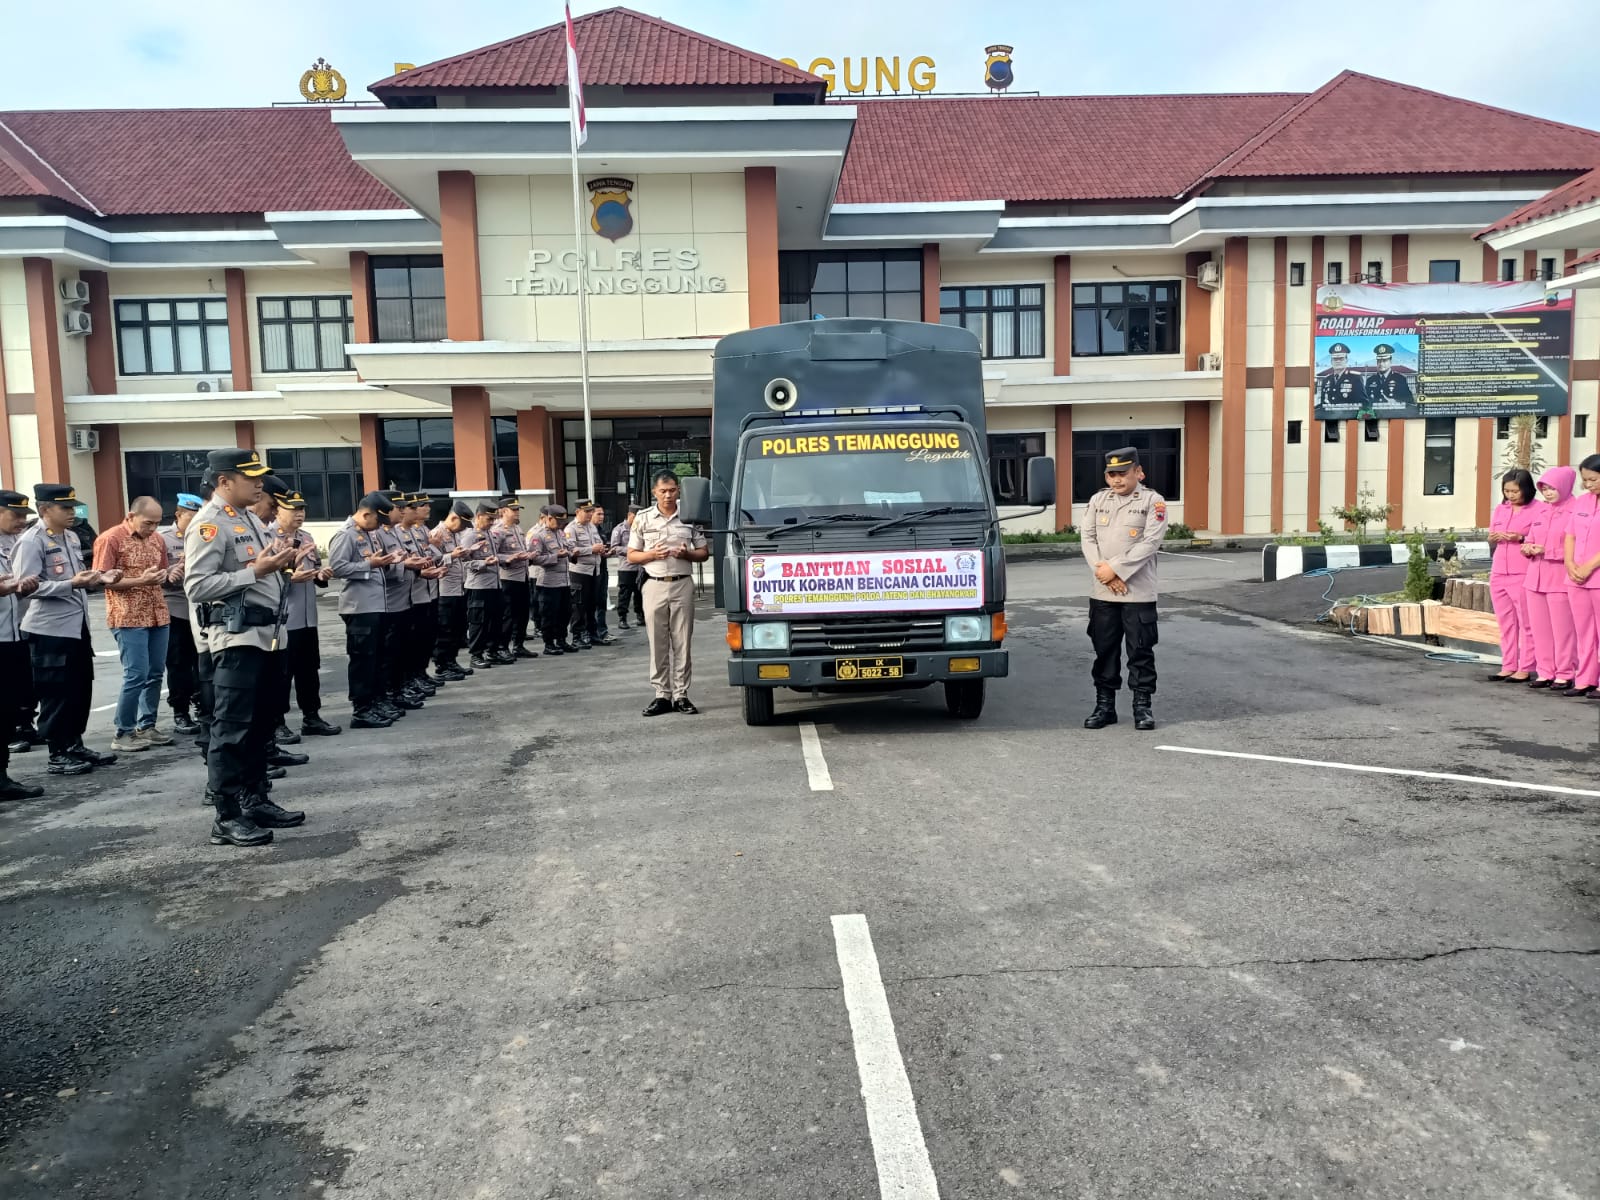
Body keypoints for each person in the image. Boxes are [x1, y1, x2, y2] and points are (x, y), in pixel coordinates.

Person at [183, 449, 307, 846]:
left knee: (261, 723)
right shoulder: (209, 525)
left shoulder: (250, 518)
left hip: (268, 635)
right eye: (251, 478)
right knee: (232, 728)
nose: (260, 485)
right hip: (237, 638)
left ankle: (256, 798)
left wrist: (281, 564)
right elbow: (198, 586)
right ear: (224, 482)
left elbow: (260, 571)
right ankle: (226, 814)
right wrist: (256, 571)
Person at [12, 483, 119, 775]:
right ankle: (57, 752)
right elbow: (25, 587)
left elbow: (79, 577)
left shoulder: (71, 536)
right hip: (49, 630)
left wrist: (100, 577)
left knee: (79, 687)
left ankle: (75, 743)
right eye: (65, 508)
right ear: (45, 509)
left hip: (76, 626)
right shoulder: (32, 541)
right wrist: (72, 584)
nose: (72, 513)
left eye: (73, 507)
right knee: (56, 691)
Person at [1079, 447, 1168, 731]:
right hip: (1103, 591)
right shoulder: (1097, 500)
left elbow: (1150, 543)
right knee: (1104, 650)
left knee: (1140, 651)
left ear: (1139, 473)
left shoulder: (1153, 502)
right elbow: (1088, 538)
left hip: (1138, 592)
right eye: (1111, 474)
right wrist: (1104, 573)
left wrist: (1115, 569)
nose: (1116, 480)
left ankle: (1142, 707)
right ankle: (1104, 707)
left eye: (1123, 474)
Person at [93, 496, 175, 754]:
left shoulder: (158, 540)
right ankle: (123, 730)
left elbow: (161, 574)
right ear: (131, 516)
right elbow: (101, 580)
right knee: (136, 675)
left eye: (157, 523)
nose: (152, 528)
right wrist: (141, 580)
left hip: (157, 613)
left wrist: (169, 574)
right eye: (148, 523)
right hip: (128, 616)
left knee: (155, 674)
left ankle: (147, 724)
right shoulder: (111, 538)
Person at [628, 471, 708, 715]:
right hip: (654, 584)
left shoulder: (689, 516)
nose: (668, 495)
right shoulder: (643, 519)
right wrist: (653, 554)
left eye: (672, 490)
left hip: (682, 583)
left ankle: (681, 694)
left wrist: (687, 554)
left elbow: (704, 552)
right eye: (663, 491)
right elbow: (632, 555)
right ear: (654, 492)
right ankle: (662, 694)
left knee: (682, 641)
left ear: (678, 491)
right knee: (657, 642)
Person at [273, 490, 340, 737]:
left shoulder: (307, 537)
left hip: (308, 618)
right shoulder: (269, 537)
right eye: (293, 510)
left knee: (309, 670)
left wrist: (322, 576)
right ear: (278, 510)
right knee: (282, 674)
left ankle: (311, 716)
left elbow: (316, 572)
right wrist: (290, 577)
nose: (299, 514)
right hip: (283, 619)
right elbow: (266, 578)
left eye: (302, 509)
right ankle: (277, 722)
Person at [329, 491, 399, 728]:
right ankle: (361, 709)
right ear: (366, 513)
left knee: (377, 658)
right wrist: (371, 564)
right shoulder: (345, 535)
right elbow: (337, 568)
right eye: (378, 520)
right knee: (362, 660)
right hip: (359, 607)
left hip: (376, 605)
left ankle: (375, 702)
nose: (379, 526)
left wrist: (387, 562)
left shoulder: (368, 534)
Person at [0, 490, 44, 801]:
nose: (21, 521)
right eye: (14, 515)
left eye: (23, 516)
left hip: (15, 636)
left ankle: (1, 777)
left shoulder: (17, 542)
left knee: (8, 710)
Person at [1520, 465, 1579, 691]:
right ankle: (1545, 671)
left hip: (1559, 578)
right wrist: (1527, 548)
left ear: (1564, 487)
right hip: (1535, 578)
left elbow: (1578, 547)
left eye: (1552, 488)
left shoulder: (1575, 511)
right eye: (1544, 489)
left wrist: (1547, 551)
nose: (1548, 493)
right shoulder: (1542, 511)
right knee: (1540, 629)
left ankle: (1565, 672)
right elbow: (1530, 539)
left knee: (1563, 630)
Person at [376, 490, 426, 710]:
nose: (404, 511)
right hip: (390, 602)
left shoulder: (393, 533)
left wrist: (414, 567)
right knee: (390, 653)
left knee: (403, 649)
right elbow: (383, 569)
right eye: (399, 507)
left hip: (405, 599)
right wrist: (405, 565)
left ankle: (399, 689)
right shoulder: (378, 534)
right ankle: (390, 693)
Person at [1486, 469, 1537, 683]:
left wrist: (1521, 537)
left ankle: (1526, 666)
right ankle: (1508, 664)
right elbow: (1490, 537)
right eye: (1507, 491)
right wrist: (1494, 537)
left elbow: (1539, 539)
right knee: (1506, 622)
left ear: (1525, 489)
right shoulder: (1500, 509)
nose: (1510, 495)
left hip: (1522, 571)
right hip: (1499, 571)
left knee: (1526, 622)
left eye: (1515, 491)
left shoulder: (1538, 510)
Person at [159, 493, 203, 735]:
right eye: (192, 515)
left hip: (201, 607)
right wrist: (169, 574)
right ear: (179, 515)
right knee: (178, 664)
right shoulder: (163, 540)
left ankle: (203, 704)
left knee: (201, 662)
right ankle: (180, 711)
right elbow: (154, 575)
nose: (197, 520)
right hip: (175, 608)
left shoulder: (204, 535)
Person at [1561, 453, 1600, 698]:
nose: (1588, 485)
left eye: (1593, 479)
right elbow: (1570, 534)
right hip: (1576, 577)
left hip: (1595, 575)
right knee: (1583, 630)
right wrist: (1569, 563)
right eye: (1585, 480)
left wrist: (1589, 567)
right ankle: (1585, 678)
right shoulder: (1582, 502)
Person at [429, 500, 474, 680]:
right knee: (445, 630)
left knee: (457, 628)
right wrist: (451, 556)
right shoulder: (436, 534)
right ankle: (442, 665)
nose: (463, 529)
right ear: (453, 518)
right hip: (444, 590)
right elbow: (430, 561)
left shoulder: (454, 534)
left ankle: (452, 661)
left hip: (458, 588)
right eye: (462, 524)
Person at [461, 502, 504, 670]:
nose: (492, 522)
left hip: (494, 584)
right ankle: (476, 655)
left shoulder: (490, 535)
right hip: (478, 586)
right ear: (479, 517)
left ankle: (492, 651)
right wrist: (483, 563)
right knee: (478, 622)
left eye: (494, 519)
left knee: (495, 620)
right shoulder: (470, 536)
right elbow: (463, 562)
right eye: (489, 519)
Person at [530, 504, 576, 655]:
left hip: (564, 580)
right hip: (548, 582)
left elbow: (568, 548)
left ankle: (561, 640)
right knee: (549, 614)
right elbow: (535, 559)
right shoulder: (539, 535)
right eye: (558, 521)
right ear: (549, 518)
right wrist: (555, 556)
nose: (561, 525)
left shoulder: (561, 534)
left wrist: (571, 552)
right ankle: (548, 643)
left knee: (565, 612)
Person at [492, 497, 535, 661]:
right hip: (508, 577)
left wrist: (527, 555)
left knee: (522, 613)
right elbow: (493, 554)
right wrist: (510, 558)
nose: (517, 513)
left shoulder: (517, 529)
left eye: (518, 509)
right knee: (508, 614)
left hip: (522, 575)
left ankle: (519, 644)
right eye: (514, 510)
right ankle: (503, 646)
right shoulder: (498, 530)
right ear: (504, 511)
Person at [567, 500, 612, 647]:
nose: (589, 514)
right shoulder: (571, 528)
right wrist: (591, 549)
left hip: (595, 570)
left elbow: (598, 544)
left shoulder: (592, 528)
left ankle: (593, 633)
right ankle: (578, 636)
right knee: (579, 605)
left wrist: (603, 551)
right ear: (578, 511)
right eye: (586, 512)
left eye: (590, 511)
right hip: (580, 571)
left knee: (593, 603)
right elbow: (571, 550)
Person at [612, 503, 645, 628]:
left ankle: (640, 616)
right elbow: (614, 548)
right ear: (629, 515)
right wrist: (632, 550)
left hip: (640, 566)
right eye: (636, 517)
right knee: (625, 594)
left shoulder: (641, 527)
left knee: (640, 593)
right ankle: (622, 618)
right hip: (626, 567)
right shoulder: (619, 529)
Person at [1316, 342, 1362, 410]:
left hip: (1349, 417)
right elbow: (1323, 404)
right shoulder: (1326, 380)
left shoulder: (1355, 378)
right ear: (1331, 361)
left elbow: (1363, 403)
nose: (1338, 361)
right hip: (1330, 417)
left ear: (1346, 360)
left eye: (1341, 358)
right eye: (1335, 359)